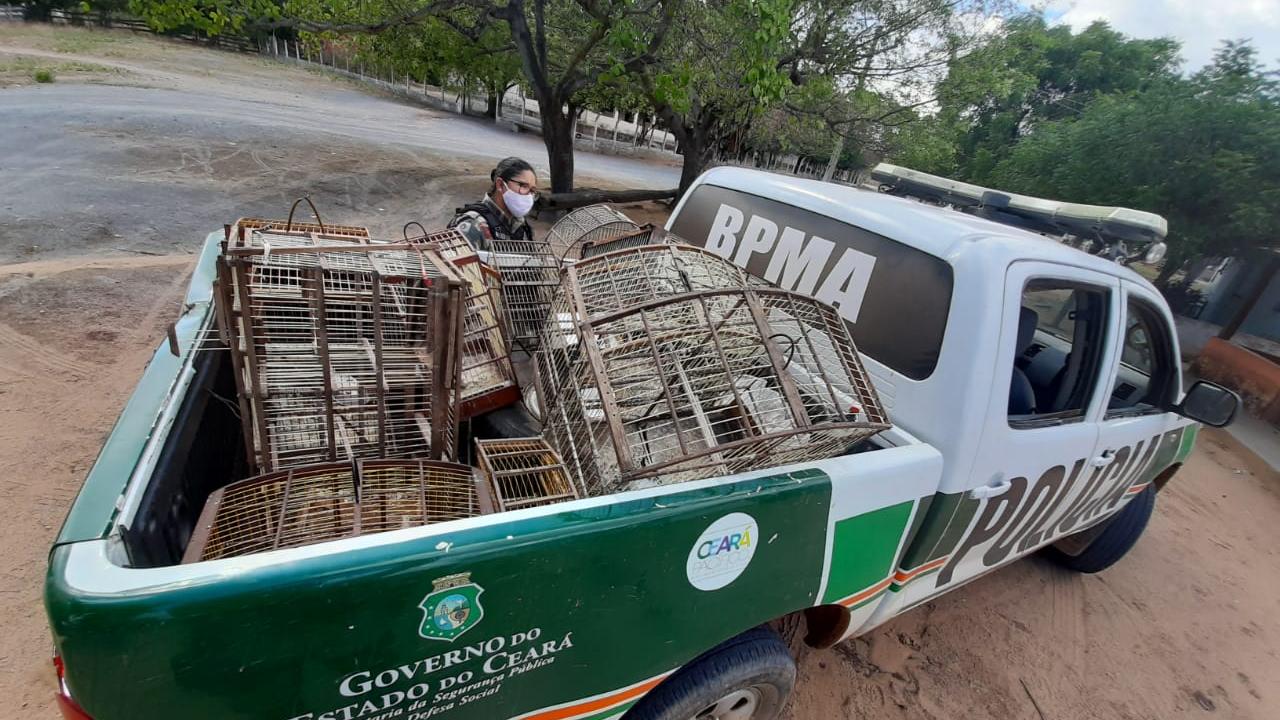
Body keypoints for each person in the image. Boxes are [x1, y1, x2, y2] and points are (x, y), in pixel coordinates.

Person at [449, 157, 539, 252]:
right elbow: (452, 264)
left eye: (532, 190)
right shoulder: (473, 225)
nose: (528, 195)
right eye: (523, 186)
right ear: (500, 185)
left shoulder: (522, 227)